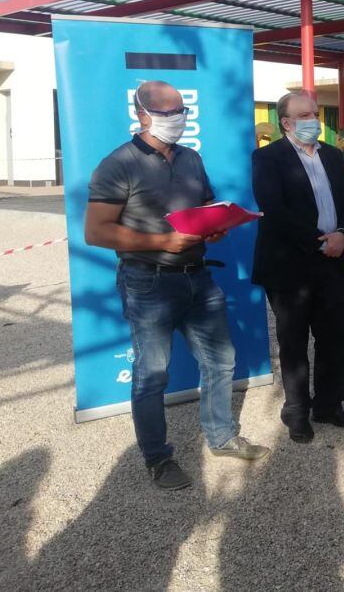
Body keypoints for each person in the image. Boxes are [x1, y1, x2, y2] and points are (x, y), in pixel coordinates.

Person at [85, 80, 269, 492]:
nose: (178, 119)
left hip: (198, 278)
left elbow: (204, 206)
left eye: (181, 110)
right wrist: (161, 242)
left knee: (220, 361)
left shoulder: (191, 158)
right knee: (151, 376)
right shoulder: (118, 164)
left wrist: (216, 226)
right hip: (147, 283)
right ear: (142, 115)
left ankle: (221, 437)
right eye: (168, 113)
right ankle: (158, 458)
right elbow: (96, 232)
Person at [251, 92, 344, 444]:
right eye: (305, 114)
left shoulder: (332, 155)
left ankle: (329, 405)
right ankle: (297, 411)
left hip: (335, 261)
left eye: (315, 113)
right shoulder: (268, 158)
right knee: (294, 340)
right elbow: (275, 210)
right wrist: (320, 242)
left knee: (334, 337)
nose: (314, 119)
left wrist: (342, 235)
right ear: (286, 122)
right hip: (291, 266)